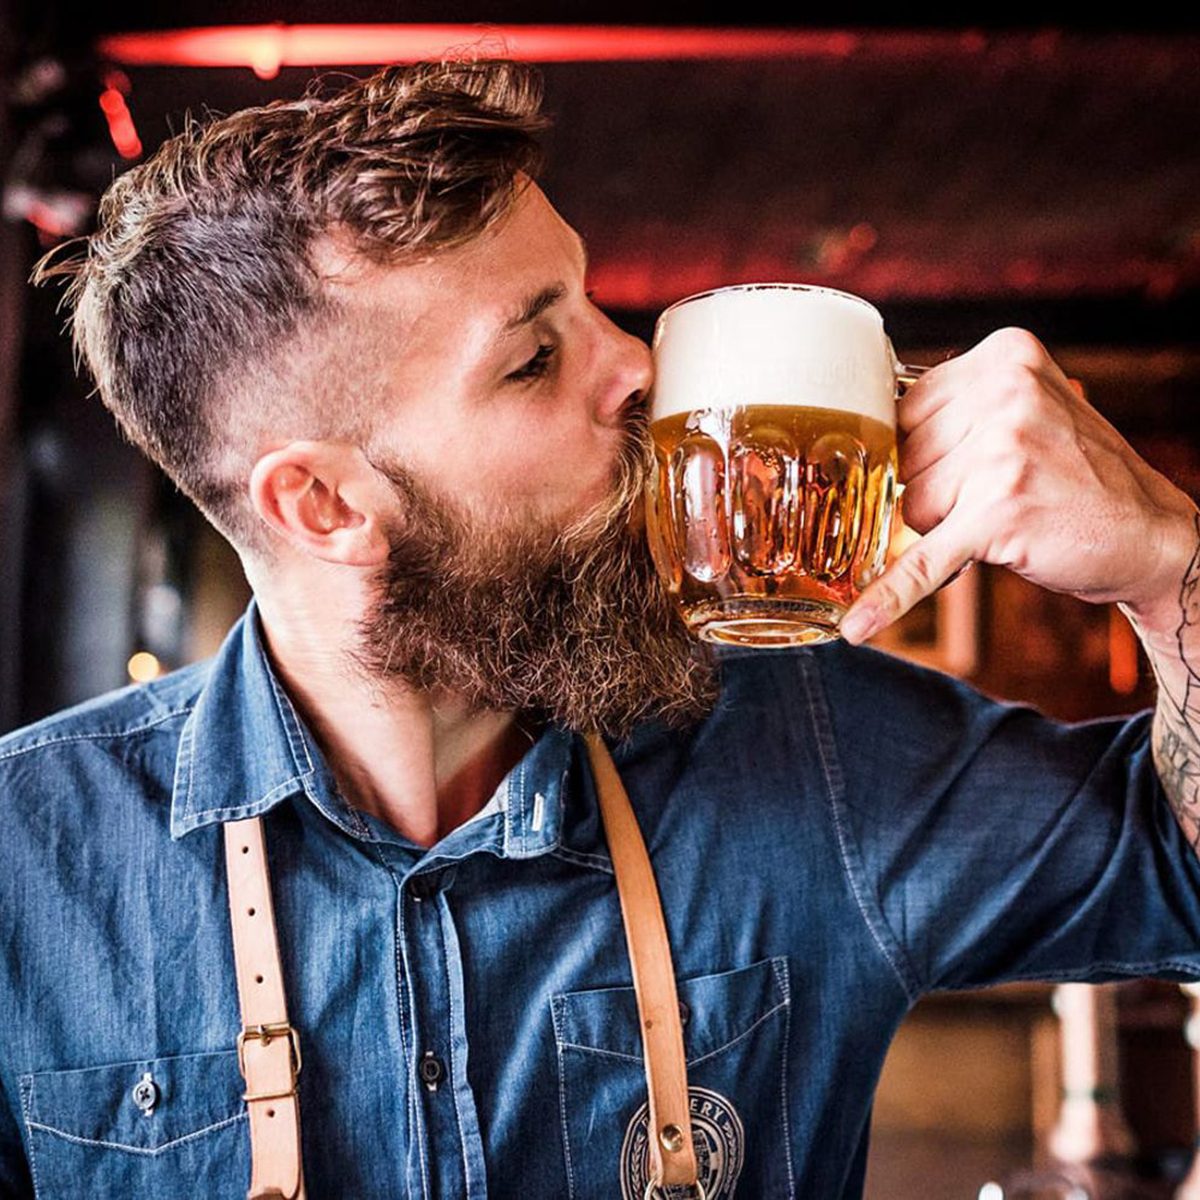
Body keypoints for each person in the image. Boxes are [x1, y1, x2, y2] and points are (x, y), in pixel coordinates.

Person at [1, 57, 1198, 1200]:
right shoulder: (27, 859)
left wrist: (1168, 565)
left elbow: (1178, 879)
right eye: (533, 358)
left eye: (592, 302)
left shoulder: (806, 745)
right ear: (322, 505)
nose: (635, 364)